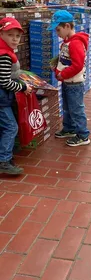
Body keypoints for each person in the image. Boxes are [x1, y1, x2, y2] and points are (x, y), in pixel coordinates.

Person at [49, 10, 90, 147]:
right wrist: (56, 66)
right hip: (67, 82)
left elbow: (77, 65)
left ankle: (83, 135)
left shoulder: (75, 43)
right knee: (67, 107)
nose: (57, 33)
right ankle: (69, 128)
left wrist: (63, 74)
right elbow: (66, 59)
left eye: (58, 29)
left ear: (67, 26)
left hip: (74, 83)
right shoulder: (67, 42)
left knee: (76, 109)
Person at [0, 17, 32, 175]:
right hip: (1, 100)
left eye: (17, 36)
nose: (14, 38)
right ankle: (4, 161)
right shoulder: (4, 56)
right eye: (10, 34)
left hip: (4, 99)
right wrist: (22, 86)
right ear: (1, 34)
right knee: (11, 127)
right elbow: (4, 82)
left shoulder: (5, 51)